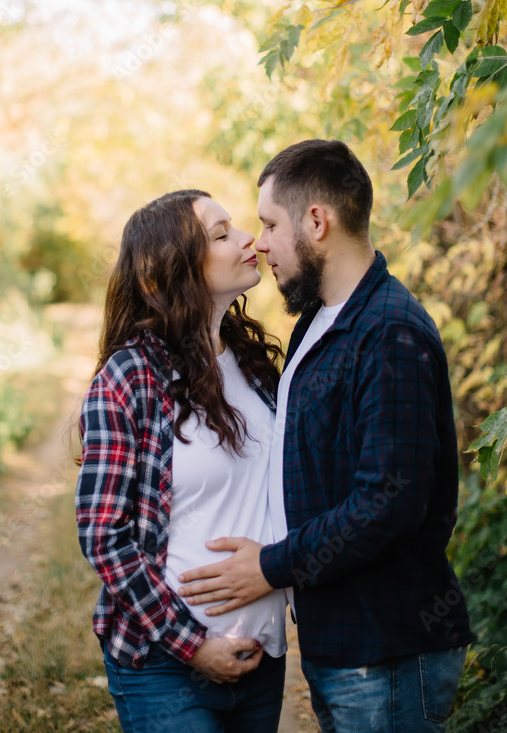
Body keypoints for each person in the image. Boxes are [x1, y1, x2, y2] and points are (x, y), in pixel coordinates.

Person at [177, 140, 474, 733]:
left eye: (269, 224)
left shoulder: (389, 332)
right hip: (344, 641)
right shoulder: (318, 321)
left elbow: (390, 502)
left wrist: (272, 566)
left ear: (317, 221)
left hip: (386, 647)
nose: (259, 243)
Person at [75, 189, 288, 733]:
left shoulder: (257, 368)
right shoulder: (129, 379)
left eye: (235, 227)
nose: (247, 240)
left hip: (261, 657)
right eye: (220, 235)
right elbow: (104, 535)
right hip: (164, 667)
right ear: (162, 277)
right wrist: (193, 646)